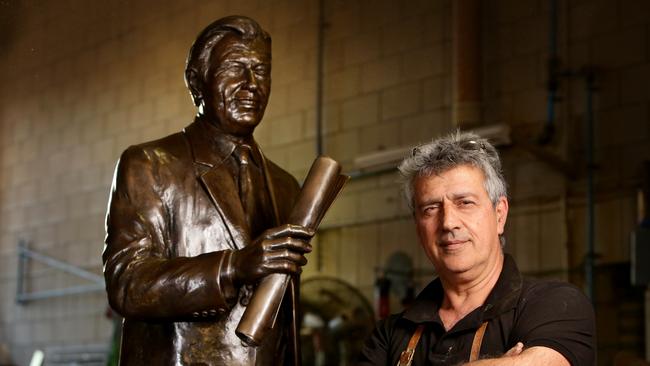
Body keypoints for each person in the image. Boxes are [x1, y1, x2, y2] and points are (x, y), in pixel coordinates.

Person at [102, 16, 313, 366]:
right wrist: (233, 267)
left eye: (261, 70)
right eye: (234, 68)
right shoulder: (151, 165)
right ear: (198, 81)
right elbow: (129, 284)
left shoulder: (286, 186)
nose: (251, 84)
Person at [359, 132, 595, 365]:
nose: (448, 222)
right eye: (430, 208)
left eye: (465, 203)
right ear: (417, 225)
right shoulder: (389, 335)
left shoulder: (555, 305)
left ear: (500, 214)